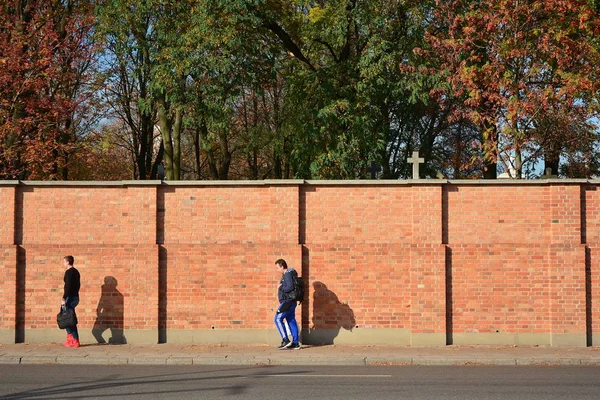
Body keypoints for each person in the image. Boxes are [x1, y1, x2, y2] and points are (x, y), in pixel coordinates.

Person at [274, 259, 300, 350]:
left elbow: (290, 287)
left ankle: (286, 340)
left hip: (287, 302)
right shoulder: (290, 274)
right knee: (291, 320)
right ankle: (295, 343)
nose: (277, 270)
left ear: (282, 266)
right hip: (291, 301)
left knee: (277, 318)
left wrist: (281, 287)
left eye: (277, 268)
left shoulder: (288, 274)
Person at [61, 255, 81, 348]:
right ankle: (71, 339)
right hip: (75, 297)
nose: (63, 263)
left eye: (64, 262)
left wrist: (64, 298)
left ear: (68, 262)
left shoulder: (69, 272)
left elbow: (68, 286)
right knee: (68, 318)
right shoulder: (76, 272)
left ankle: (74, 340)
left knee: (68, 319)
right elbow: (78, 285)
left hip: (70, 297)